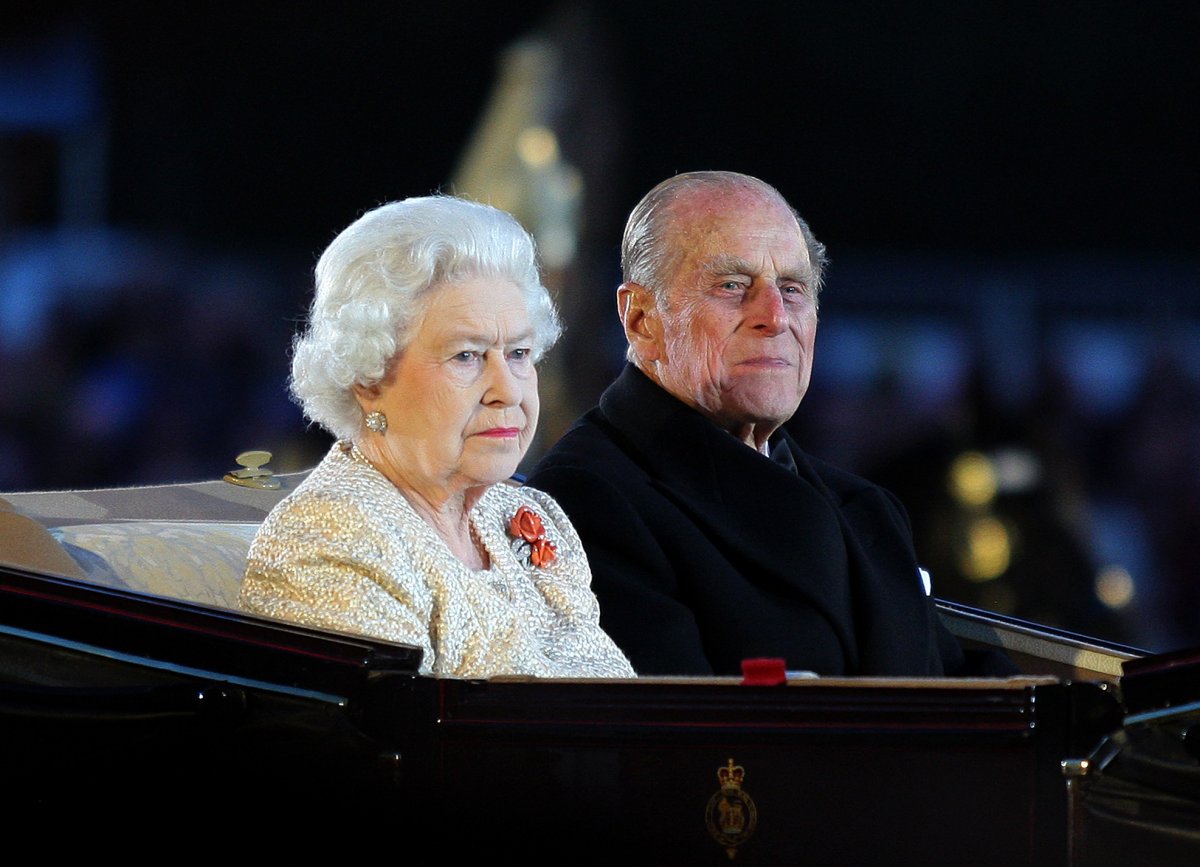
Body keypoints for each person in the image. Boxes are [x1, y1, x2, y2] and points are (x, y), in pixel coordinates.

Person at [525, 170, 1016, 677]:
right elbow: (672, 738)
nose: (775, 316)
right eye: (733, 285)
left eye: (792, 288)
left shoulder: (868, 511)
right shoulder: (584, 499)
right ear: (641, 319)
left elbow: (957, 689)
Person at [239, 195, 635, 680]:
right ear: (369, 377)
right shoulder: (330, 538)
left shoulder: (523, 517)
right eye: (467, 356)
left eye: (519, 352)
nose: (508, 390)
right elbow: (400, 746)